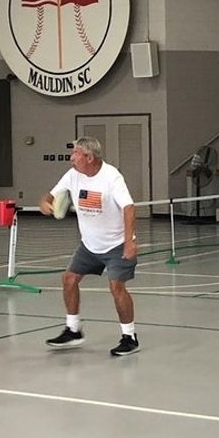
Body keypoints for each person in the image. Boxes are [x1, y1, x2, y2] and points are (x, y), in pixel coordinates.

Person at [39, 136, 140, 357]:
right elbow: (50, 194)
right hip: (89, 245)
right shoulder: (73, 175)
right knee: (68, 279)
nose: (71, 158)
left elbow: (128, 207)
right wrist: (45, 203)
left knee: (117, 288)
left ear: (89, 157)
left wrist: (129, 241)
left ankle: (129, 337)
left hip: (116, 244)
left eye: (75, 154)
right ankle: (73, 329)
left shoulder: (112, 177)